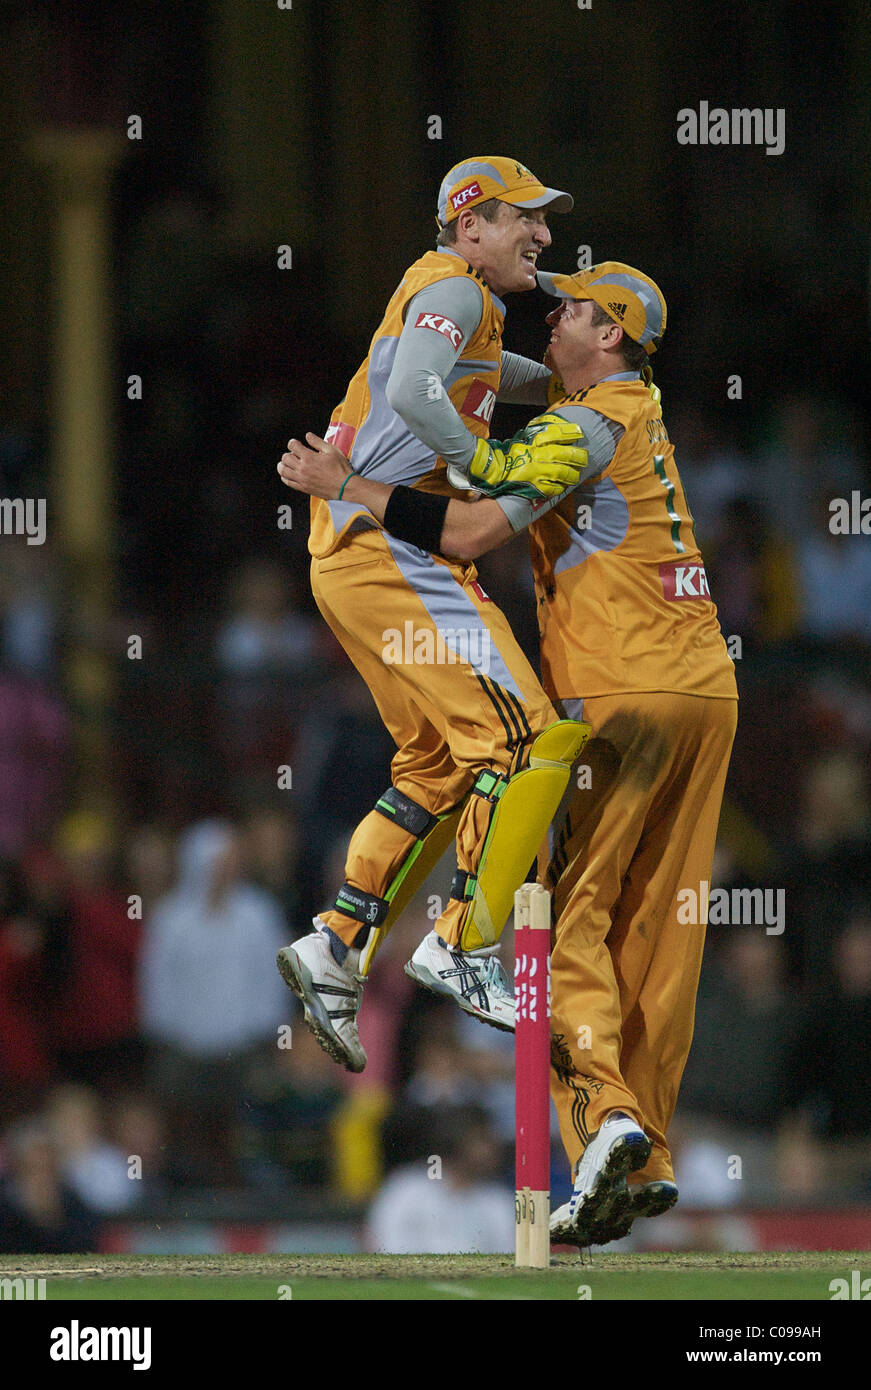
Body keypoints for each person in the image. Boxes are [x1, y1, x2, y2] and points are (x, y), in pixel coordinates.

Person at [280, 261, 739, 1247]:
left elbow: (477, 525)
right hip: (706, 693)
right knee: (661, 942)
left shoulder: (580, 425)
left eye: (572, 311)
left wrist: (347, 483)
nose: (554, 317)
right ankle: (641, 1157)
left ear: (608, 335)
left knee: (564, 917)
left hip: (615, 699)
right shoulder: (638, 413)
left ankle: (595, 1101)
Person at [275, 157, 592, 1075]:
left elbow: (481, 379)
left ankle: (335, 942)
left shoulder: (468, 306)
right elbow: (418, 388)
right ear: (469, 227)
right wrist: (487, 466)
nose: (540, 232)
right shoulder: (452, 286)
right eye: (522, 218)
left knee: (435, 761)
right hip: (390, 549)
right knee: (528, 739)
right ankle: (461, 941)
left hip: (353, 555)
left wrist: (571, 372)